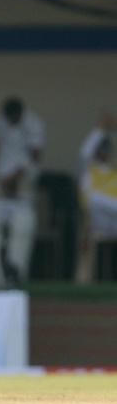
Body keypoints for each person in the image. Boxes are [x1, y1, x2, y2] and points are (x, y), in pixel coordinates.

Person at [0, 97, 45, 287]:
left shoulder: (34, 124)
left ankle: (17, 276)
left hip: (22, 188)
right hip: (0, 186)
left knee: (21, 233)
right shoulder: (0, 120)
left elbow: (35, 157)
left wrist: (15, 177)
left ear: (20, 114)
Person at [76, 113, 117, 282]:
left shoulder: (113, 173)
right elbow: (84, 153)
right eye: (100, 150)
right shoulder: (88, 170)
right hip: (94, 220)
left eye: (106, 150)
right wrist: (100, 129)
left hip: (114, 221)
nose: (103, 154)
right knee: (94, 198)